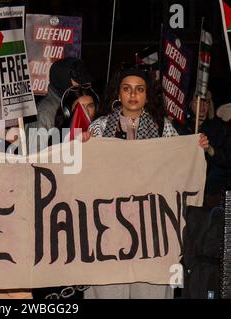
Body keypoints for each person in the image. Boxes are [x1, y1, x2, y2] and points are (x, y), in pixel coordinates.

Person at [84, 67, 208, 299]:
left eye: (139, 89)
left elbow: (177, 168)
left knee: (149, 288)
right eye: (127, 89)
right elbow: (85, 173)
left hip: (151, 227)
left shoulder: (164, 128)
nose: (133, 95)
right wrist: (82, 146)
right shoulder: (98, 128)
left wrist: (195, 148)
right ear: (118, 94)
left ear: (147, 95)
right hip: (109, 226)